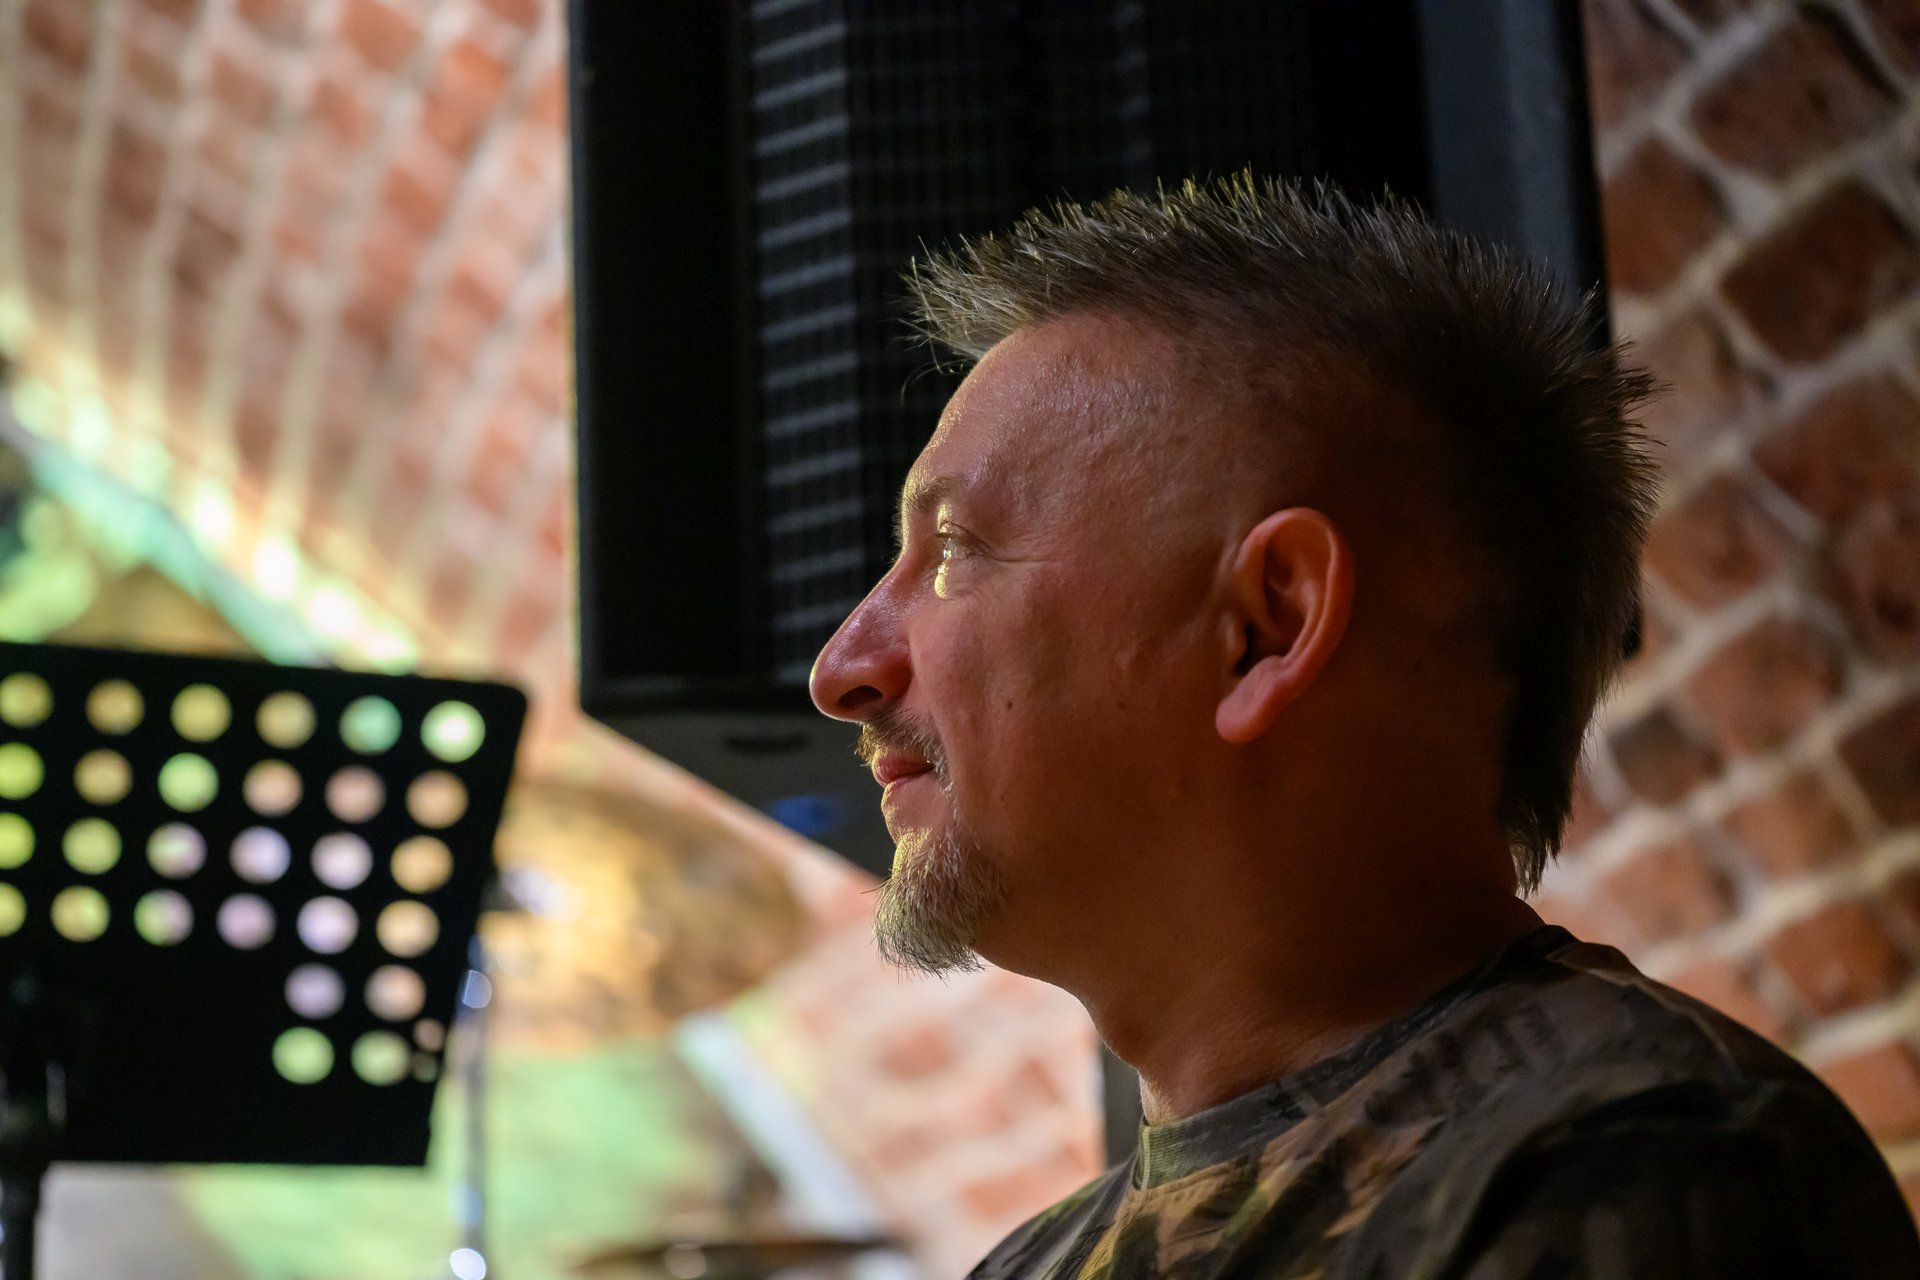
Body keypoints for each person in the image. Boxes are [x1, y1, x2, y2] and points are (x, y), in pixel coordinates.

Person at [807, 175, 1920, 1278]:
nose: (841, 669)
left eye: (953, 550)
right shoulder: (1027, 1263)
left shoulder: (1636, 1156)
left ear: (1267, 627)